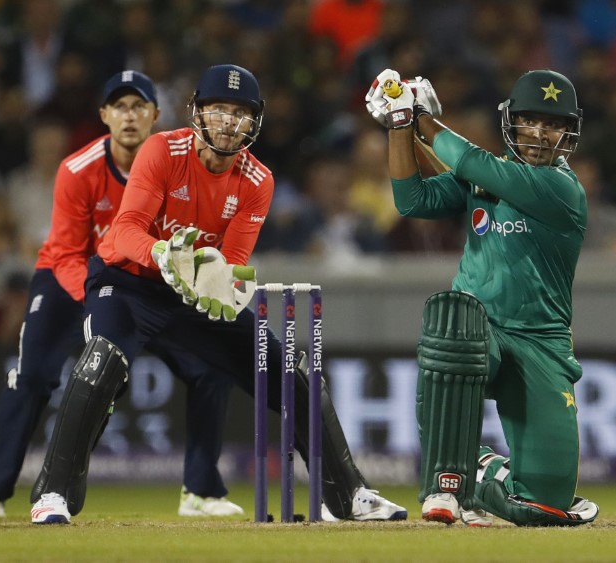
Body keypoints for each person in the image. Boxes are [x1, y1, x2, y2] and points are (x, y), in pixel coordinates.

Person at [29, 63, 407, 524]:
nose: (229, 121)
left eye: (240, 113)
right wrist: (165, 255)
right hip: (128, 282)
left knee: (294, 371)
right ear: (198, 113)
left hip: (192, 293)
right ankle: (53, 495)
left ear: (254, 122)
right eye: (218, 110)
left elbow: (231, 263)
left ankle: (349, 496)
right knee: (102, 358)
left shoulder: (257, 181)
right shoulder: (161, 150)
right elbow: (126, 231)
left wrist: (226, 286)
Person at [0, 70, 242, 520]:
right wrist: (97, 305)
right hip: (68, 281)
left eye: (139, 106)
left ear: (156, 115)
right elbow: (65, 254)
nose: (130, 116)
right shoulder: (78, 171)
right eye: (119, 107)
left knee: (211, 368)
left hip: (148, 283)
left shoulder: (182, 164)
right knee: (34, 375)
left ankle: (201, 491)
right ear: (104, 116)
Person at [366, 67, 600, 526]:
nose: (538, 133)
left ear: (568, 133)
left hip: (542, 344)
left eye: (552, 124)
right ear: (510, 122)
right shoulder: (488, 176)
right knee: (454, 324)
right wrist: (400, 126)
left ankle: (481, 476)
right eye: (529, 120)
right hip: (480, 331)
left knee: (545, 504)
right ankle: (446, 481)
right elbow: (412, 200)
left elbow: (472, 163)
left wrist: (422, 119)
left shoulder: (561, 188)